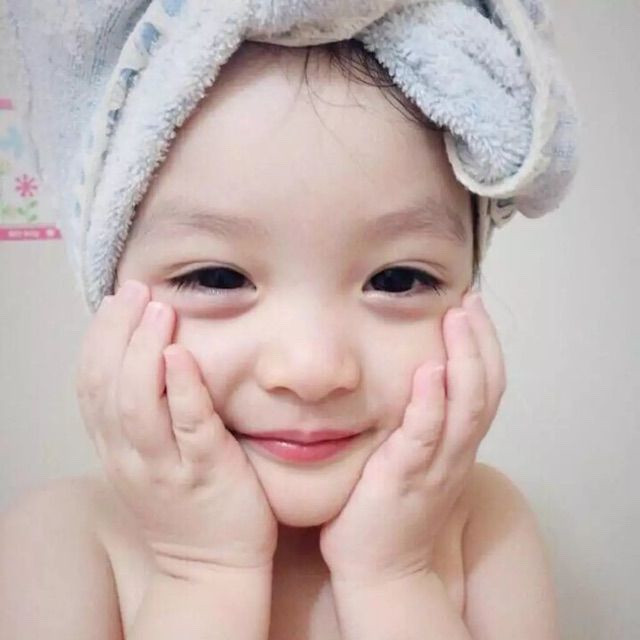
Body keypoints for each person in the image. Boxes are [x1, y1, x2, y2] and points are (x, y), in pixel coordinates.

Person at [1, 2, 579, 638]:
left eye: (397, 279)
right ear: (110, 298)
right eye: (218, 278)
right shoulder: (59, 542)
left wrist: (395, 576)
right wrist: (202, 570)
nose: (312, 370)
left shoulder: (485, 526)